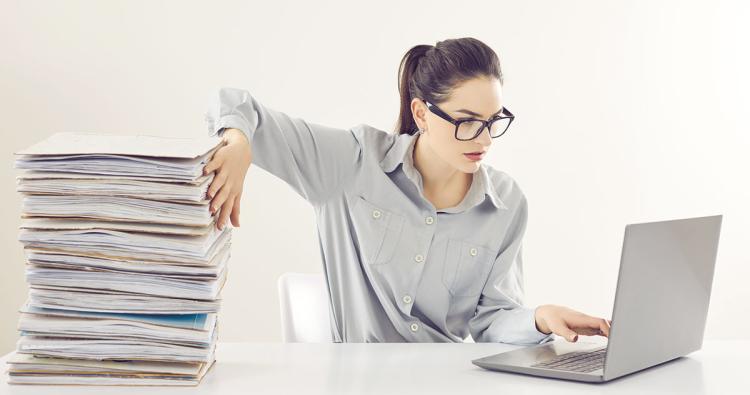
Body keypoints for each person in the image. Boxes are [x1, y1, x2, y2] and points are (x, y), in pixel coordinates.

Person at [202, 37, 611, 344]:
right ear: (422, 113)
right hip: (355, 383)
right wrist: (238, 142)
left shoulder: (506, 203)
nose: (484, 139)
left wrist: (539, 317)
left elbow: (491, 320)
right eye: (467, 121)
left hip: (447, 382)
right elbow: (233, 102)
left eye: (493, 120)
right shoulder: (352, 163)